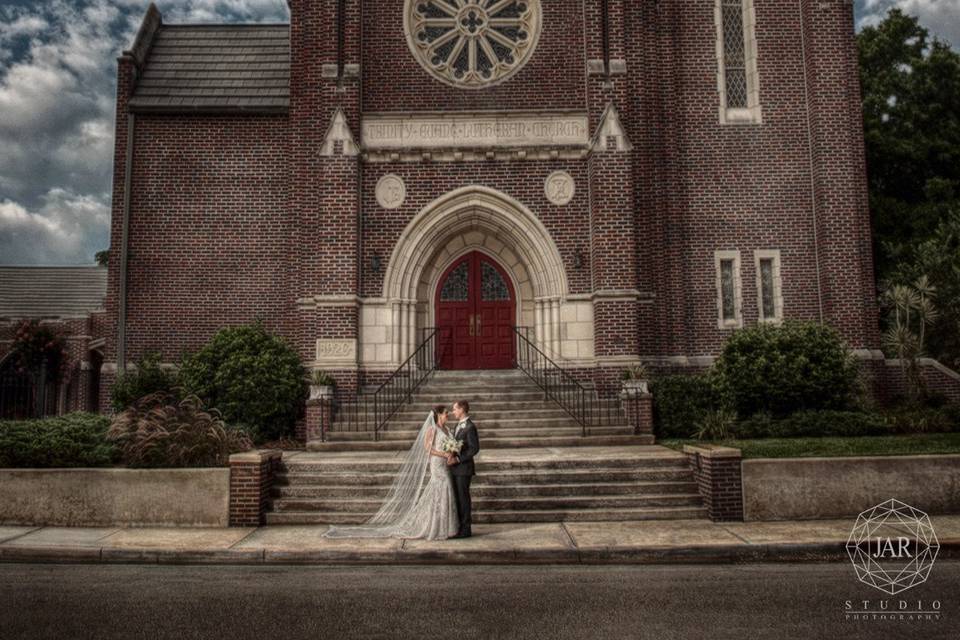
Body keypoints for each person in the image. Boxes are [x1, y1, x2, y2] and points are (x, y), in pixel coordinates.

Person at [322, 404, 459, 540]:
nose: (448, 414)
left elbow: (450, 445)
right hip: (437, 464)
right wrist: (444, 454)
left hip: (446, 464)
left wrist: (451, 453)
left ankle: (446, 527)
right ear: (439, 414)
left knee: (446, 488)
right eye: (446, 412)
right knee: (439, 488)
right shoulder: (432, 429)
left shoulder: (446, 429)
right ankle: (435, 526)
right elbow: (428, 449)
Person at [447, 399, 480, 538]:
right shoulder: (457, 425)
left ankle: (466, 529)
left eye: (455, 409)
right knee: (458, 499)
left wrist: (458, 459)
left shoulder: (470, 427)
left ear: (462, 409)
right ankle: (459, 527)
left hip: (464, 468)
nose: (453, 411)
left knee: (463, 499)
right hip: (455, 468)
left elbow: (474, 448)